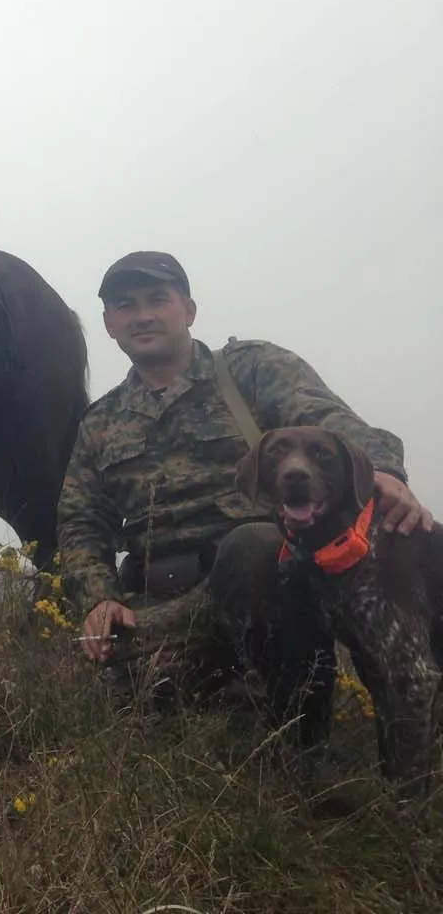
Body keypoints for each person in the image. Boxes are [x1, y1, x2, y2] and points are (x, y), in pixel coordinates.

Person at [57, 250, 432, 709]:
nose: (143, 316)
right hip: (159, 602)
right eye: (126, 306)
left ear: (189, 311)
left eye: (157, 299)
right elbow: (80, 520)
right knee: (134, 716)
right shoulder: (100, 422)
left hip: (264, 581)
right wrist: (99, 599)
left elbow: (329, 421)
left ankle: (302, 737)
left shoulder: (250, 369)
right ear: (110, 323)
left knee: (253, 547)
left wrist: (385, 471)